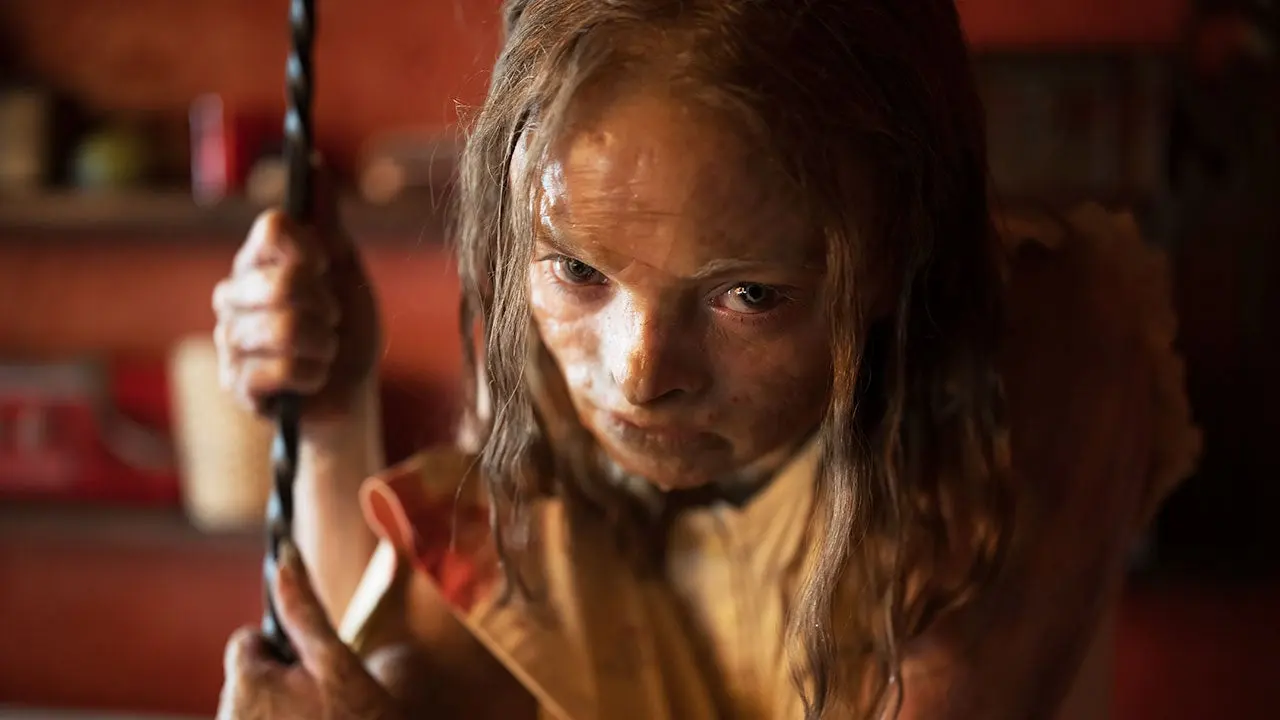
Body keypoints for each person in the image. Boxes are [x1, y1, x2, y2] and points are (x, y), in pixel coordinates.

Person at [212, 0, 1201, 717]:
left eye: (750, 296)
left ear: (900, 244)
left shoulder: (1045, 348)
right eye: (578, 271)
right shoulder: (559, 370)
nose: (638, 375)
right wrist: (332, 415)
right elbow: (443, 667)